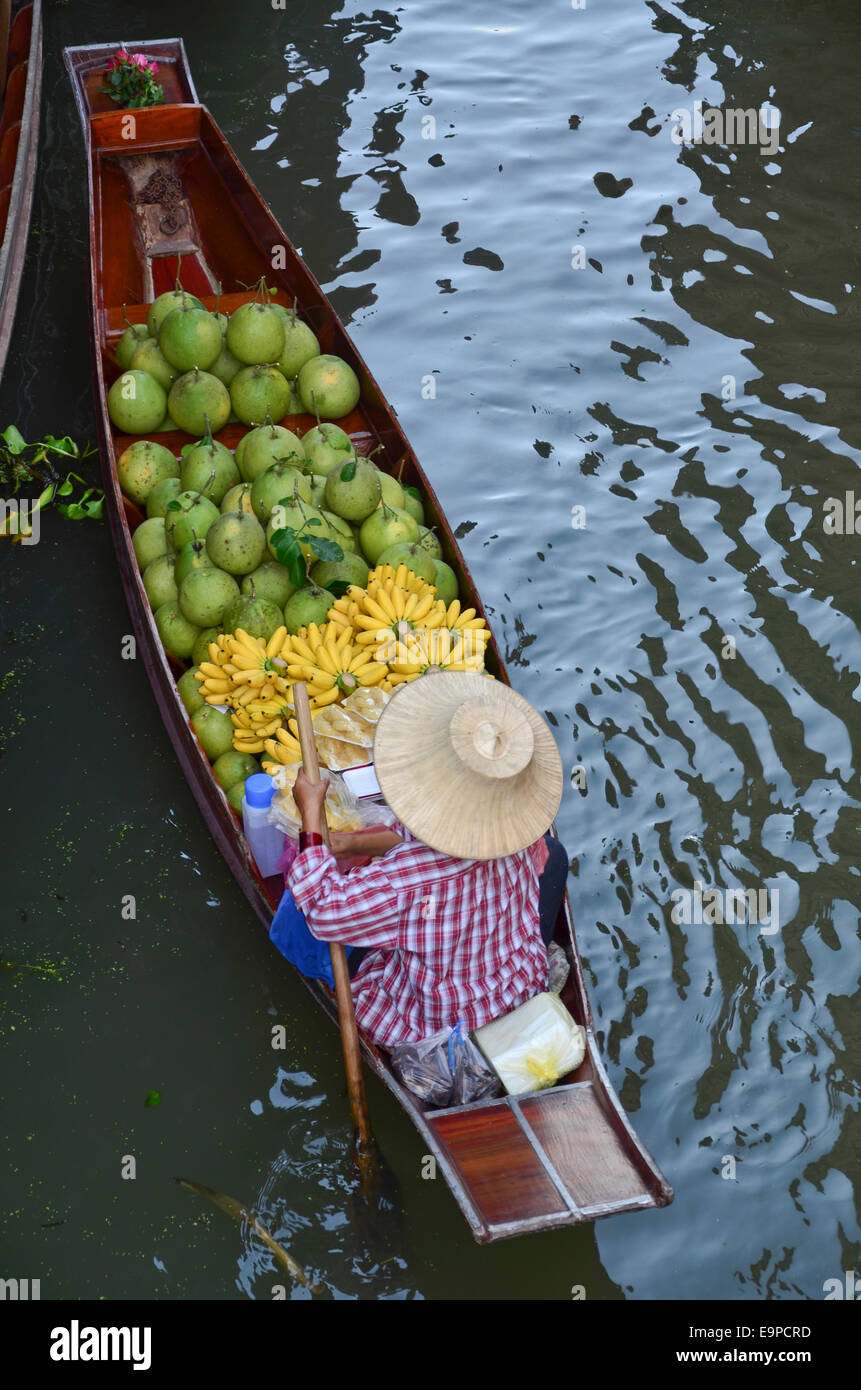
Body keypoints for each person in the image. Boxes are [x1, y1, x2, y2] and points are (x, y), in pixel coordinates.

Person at [288, 671, 567, 1050]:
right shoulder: (518, 830)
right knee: (557, 858)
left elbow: (323, 908)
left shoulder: (407, 881)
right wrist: (353, 842)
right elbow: (424, 837)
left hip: (441, 1025)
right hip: (515, 984)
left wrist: (310, 812)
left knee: (330, 939)